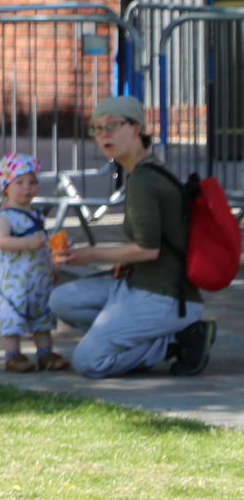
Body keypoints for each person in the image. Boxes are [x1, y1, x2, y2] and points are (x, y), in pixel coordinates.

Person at [49, 96, 216, 378]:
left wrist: (92, 253)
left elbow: (148, 250)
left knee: (88, 362)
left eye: (113, 125)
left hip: (165, 298)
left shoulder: (143, 179)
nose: (104, 135)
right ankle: (133, 333)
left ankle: (176, 340)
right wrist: (128, 262)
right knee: (61, 299)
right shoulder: (144, 169)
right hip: (140, 286)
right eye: (97, 128)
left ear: (136, 128)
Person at [0, 153, 65, 373]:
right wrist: (26, 243)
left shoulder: (37, 214)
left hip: (39, 278)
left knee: (42, 315)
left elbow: (42, 243)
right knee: (12, 317)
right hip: (15, 281)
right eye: (20, 182)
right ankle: (13, 355)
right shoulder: (6, 217)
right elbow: (0, 240)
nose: (27, 187)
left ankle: (45, 353)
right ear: (5, 187)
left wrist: (52, 264)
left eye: (32, 182)